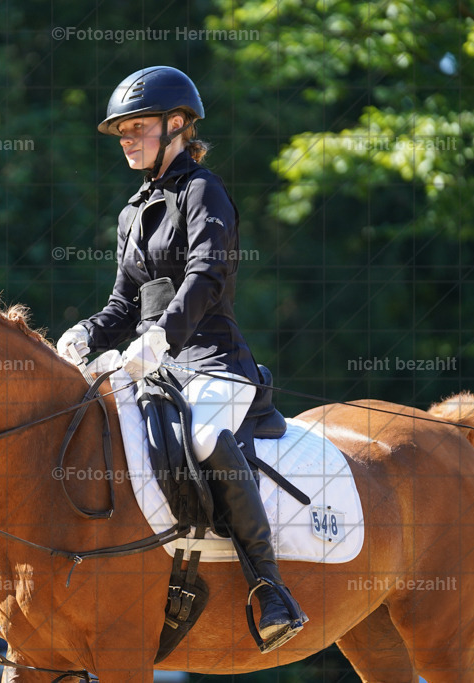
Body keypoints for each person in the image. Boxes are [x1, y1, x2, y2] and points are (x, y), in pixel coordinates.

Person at [56, 66, 307, 652]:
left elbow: (208, 275)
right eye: (121, 131)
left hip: (212, 360)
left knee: (200, 436)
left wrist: (162, 337)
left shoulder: (203, 191)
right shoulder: (132, 211)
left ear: (177, 126)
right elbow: (123, 303)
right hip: (152, 362)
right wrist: (87, 332)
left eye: (137, 128)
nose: (126, 139)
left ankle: (271, 589)